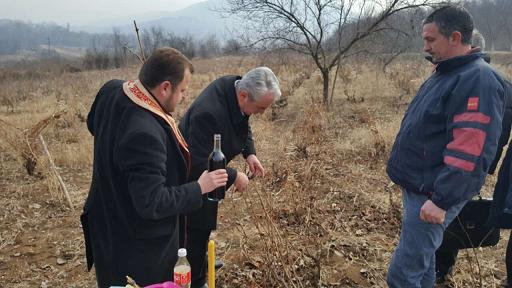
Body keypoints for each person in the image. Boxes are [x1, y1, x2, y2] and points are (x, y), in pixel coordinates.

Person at [81, 47, 228, 288]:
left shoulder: (111, 89)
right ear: (165, 87)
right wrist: (200, 187)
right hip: (136, 245)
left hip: (106, 221)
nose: (185, 98)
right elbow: (152, 202)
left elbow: (93, 124)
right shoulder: (145, 132)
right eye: (182, 91)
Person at [386, 5, 507, 287]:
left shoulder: (477, 80)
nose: (425, 47)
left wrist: (441, 199)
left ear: (454, 37)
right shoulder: (448, 72)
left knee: (402, 275)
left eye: (431, 40)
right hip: (421, 186)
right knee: (424, 263)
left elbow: (470, 149)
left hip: (433, 191)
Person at [178, 67, 281, 288]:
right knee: (195, 229)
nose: (262, 112)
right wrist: (234, 176)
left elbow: (245, 120)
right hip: (192, 178)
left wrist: (249, 152)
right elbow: (198, 161)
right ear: (244, 95)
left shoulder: (236, 89)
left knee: (204, 226)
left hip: (211, 173)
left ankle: (202, 262)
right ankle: (196, 280)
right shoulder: (209, 112)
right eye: (261, 107)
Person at [434, 30, 512, 285]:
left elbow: (490, 132)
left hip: (455, 164)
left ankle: (440, 269)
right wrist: (486, 168)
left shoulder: (472, 82)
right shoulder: (503, 83)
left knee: (449, 217)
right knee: (457, 215)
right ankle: (442, 267)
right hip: (473, 165)